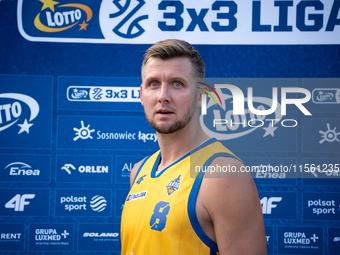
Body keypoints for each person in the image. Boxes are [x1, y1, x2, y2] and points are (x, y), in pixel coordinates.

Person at [120, 39, 266, 255]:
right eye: (153, 84)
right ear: (141, 94)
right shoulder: (139, 170)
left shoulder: (223, 175)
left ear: (199, 96)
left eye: (177, 84)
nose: (163, 97)